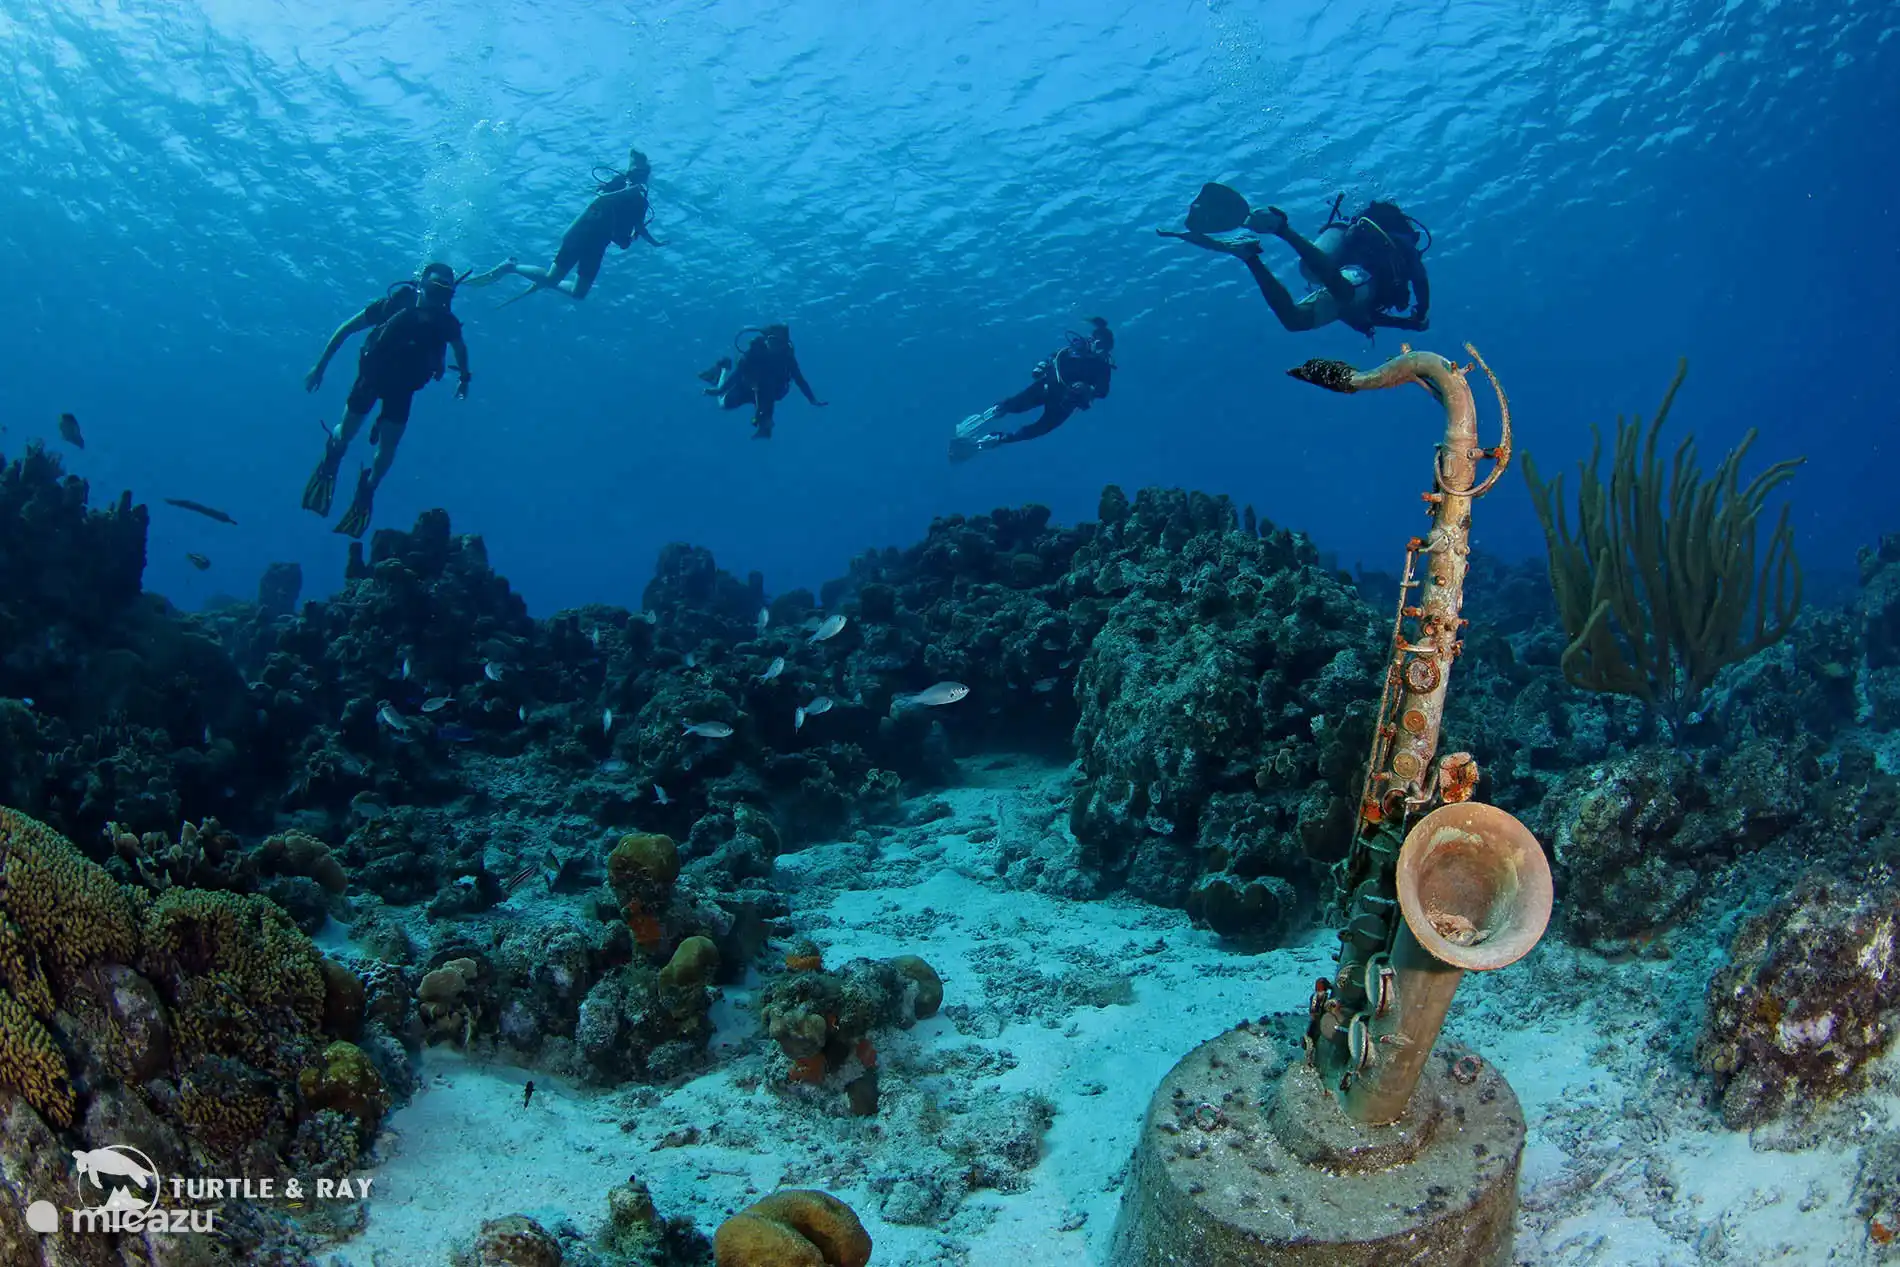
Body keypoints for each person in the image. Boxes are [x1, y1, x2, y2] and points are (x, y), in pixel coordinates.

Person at [301, 262, 471, 537]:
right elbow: (346, 328)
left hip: (401, 390)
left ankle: (368, 487)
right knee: (346, 432)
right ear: (421, 283)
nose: (437, 297)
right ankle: (333, 455)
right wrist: (320, 366)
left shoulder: (446, 323)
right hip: (371, 380)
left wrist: (465, 378)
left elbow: (460, 350)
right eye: (434, 288)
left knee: (387, 449)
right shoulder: (392, 306)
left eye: (444, 292)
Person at [1159, 186, 1430, 337]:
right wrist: (1421, 310)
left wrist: (1408, 324)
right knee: (1344, 290)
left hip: (1343, 278)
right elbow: (1419, 277)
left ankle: (1250, 257)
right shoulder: (1404, 245)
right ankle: (1281, 228)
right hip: (1355, 277)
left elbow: (1365, 314)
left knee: (1294, 320)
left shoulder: (1365, 309)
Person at [467, 148, 662, 303]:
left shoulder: (642, 202)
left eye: (643, 173)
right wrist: (624, 192)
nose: (638, 176)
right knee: (552, 277)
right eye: (635, 171)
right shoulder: (619, 182)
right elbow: (599, 200)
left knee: (578, 293)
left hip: (599, 245)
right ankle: (511, 267)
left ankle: (545, 281)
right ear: (629, 171)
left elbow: (639, 226)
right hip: (581, 234)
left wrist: (654, 242)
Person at [951, 317, 1115, 460]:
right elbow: (1053, 356)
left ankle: (997, 439)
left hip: (1065, 403)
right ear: (1093, 339)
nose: (1099, 348)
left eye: (1103, 347)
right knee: (1015, 405)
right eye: (1098, 342)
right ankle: (987, 418)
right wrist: (1042, 366)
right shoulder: (1072, 350)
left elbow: (1102, 391)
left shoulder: (1102, 367)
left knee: (1038, 429)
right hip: (1047, 387)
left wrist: (1086, 390)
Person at [697, 324, 827, 439]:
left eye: (780, 342)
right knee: (723, 404)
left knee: (767, 401)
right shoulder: (755, 352)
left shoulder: (787, 358)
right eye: (772, 341)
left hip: (768, 393)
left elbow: (800, 380)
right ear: (766, 340)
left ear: (785, 343)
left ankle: (764, 426)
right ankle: (725, 367)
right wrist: (720, 390)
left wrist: (812, 399)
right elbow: (738, 374)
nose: (775, 346)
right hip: (745, 387)